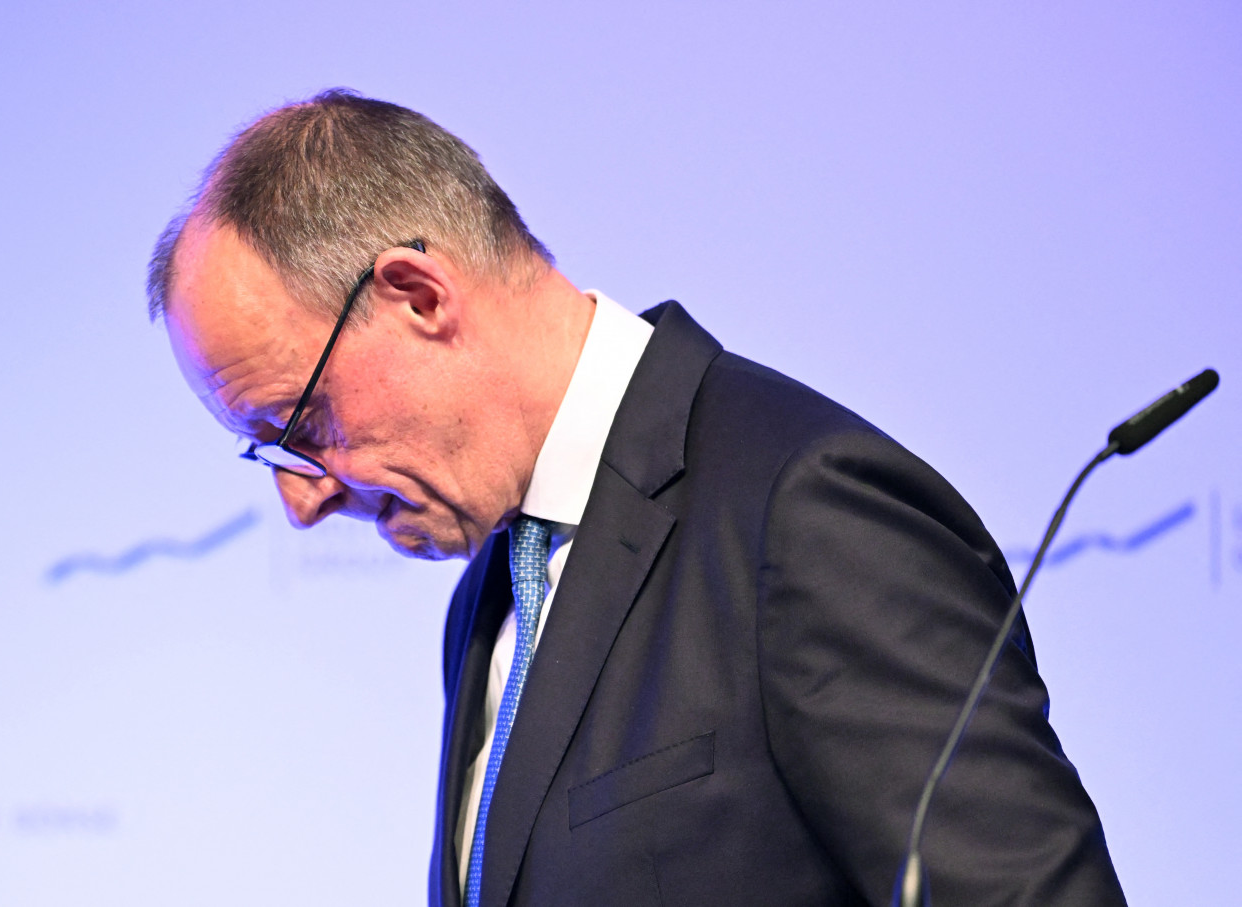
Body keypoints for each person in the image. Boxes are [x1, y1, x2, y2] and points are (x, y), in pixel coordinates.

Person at [148, 89, 1126, 906]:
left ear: (417, 294)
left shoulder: (803, 513)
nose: (300, 501)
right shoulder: (493, 587)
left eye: (301, 425)